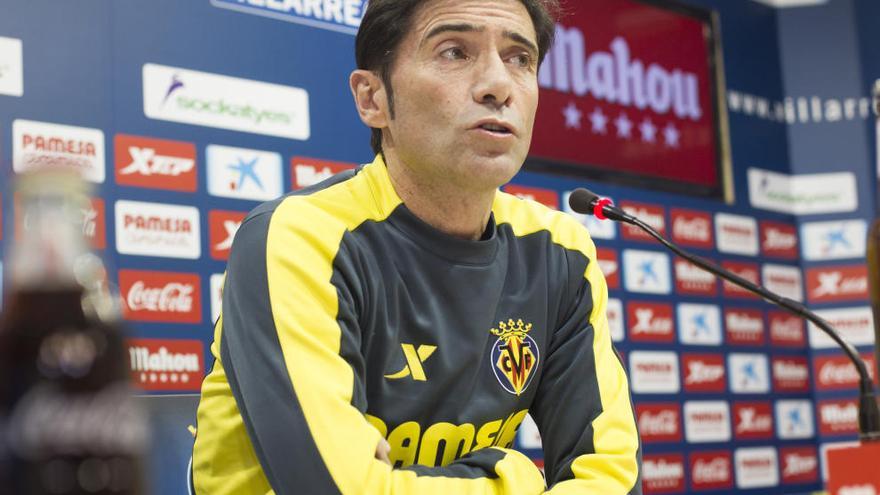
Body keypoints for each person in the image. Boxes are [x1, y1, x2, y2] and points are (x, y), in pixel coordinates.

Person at [191, 0, 642, 493]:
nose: (498, 85)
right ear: (372, 98)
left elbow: (612, 479)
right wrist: (512, 477)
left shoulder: (559, 250)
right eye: (454, 52)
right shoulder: (300, 236)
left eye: (520, 59)